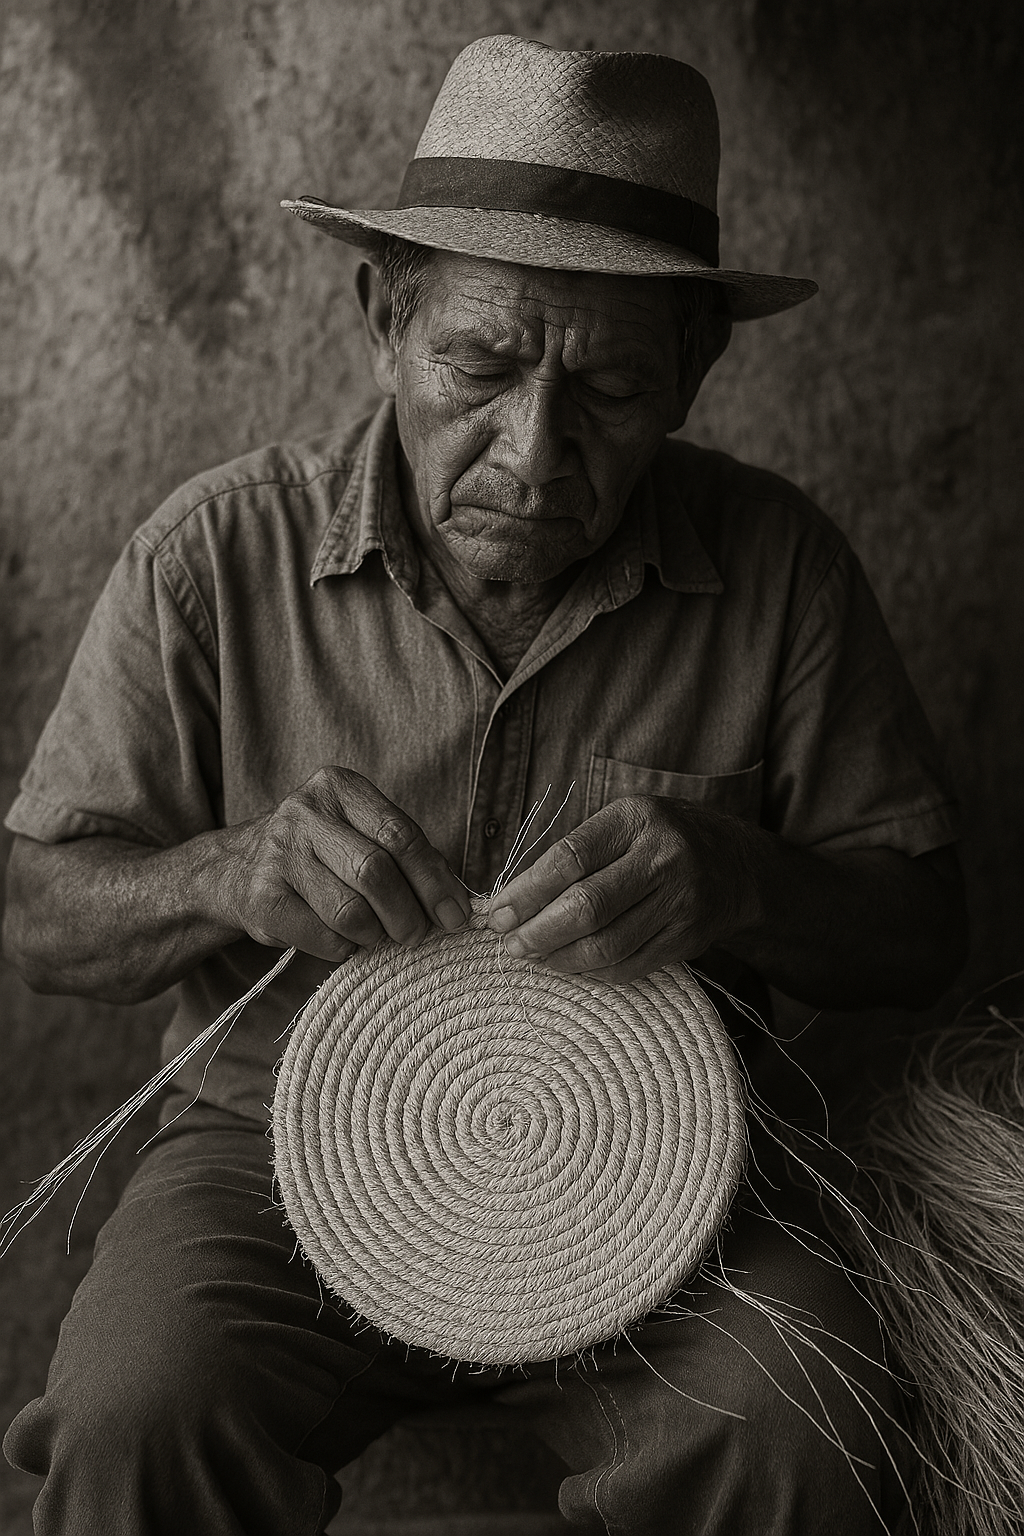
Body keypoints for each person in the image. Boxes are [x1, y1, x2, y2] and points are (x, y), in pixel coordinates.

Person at [2, 34, 966, 1536]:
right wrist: (224, 870)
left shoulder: (781, 570)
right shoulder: (214, 557)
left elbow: (920, 932)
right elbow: (39, 917)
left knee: (807, 1424)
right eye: (481, 364)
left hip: (679, 1177)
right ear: (384, 319)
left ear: (695, 374)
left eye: (612, 386)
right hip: (266, 1164)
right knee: (136, 1417)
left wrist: (740, 878)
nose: (534, 448)